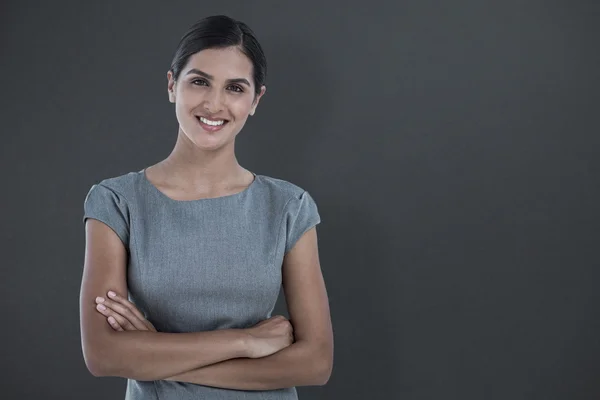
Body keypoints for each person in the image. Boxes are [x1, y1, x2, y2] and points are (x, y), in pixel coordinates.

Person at [79, 15, 333, 399]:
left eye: (235, 88)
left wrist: (156, 351)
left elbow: (315, 363)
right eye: (199, 81)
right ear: (171, 85)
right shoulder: (116, 201)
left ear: (255, 100)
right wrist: (244, 342)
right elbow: (103, 354)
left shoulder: (288, 207)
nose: (215, 103)